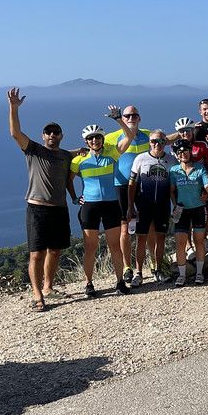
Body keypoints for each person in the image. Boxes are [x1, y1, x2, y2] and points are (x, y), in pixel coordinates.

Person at [6, 88, 79, 312]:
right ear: (42, 136)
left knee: (55, 251)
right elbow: (15, 133)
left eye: (56, 132)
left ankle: (48, 287)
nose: (52, 135)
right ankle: (37, 295)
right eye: (48, 132)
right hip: (37, 209)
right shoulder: (33, 151)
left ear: (61, 136)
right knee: (36, 253)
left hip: (59, 208)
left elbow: (82, 151)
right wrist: (13, 108)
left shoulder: (66, 155)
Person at [70, 121, 134, 296]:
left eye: (97, 137)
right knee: (91, 247)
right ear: (86, 142)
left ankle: (120, 282)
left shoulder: (112, 154)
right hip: (89, 206)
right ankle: (89, 283)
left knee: (114, 246)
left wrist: (119, 120)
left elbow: (129, 136)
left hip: (111, 204)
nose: (94, 140)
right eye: (90, 138)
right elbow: (68, 179)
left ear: (102, 138)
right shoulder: (79, 160)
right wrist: (75, 197)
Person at [104, 104, 151, 287]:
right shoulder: (111, 137)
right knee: (125, 227)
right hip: (122, 185)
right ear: (122, 118)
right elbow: (96, 148)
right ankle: (127, 267)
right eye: (127, 115)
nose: (131, 118)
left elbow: (166, 140)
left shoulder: (147, 134)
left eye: (134, 115)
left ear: (139, 118)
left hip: (145, 183)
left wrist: (183, 131)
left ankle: (151, 265)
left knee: (147, 226)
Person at [126, 130, 175, 286]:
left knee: (161, 237)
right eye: (154, 141)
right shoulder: (140, 159)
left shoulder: (171, 160)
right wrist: (130, 206)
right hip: (143, 205)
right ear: (149, 142)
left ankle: (158, 269)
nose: (157, 144)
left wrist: (176, 205)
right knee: (141, 238)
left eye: (161, 141)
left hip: (163, 204)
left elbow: (174, 186)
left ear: (165, 142)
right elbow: (132, 184)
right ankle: (139, 273)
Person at [169, 139, 208, 287]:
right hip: (182, 210)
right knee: (180, 243)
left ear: (190, 152)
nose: (183, 154)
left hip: (198, 209)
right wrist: (175, 205)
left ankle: (199, 273)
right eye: (180, 152)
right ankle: (182, 275)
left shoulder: (200, 168)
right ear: (177, 155)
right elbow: (171, 190)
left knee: (199, 241)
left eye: (185, 151)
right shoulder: (174, 171)